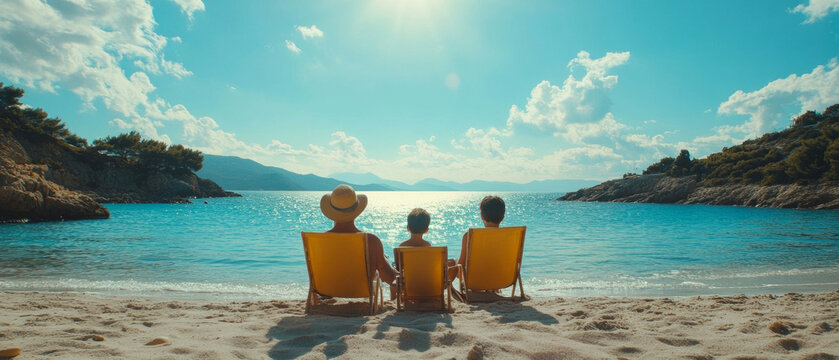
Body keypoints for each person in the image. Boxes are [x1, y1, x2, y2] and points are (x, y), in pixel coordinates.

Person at [320, 184, 398, 288]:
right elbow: (388, 276)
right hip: (360, 288)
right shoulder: (371, 240)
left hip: (329, 288)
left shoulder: (321, 240)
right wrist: (397, 273)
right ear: (356, 210)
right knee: (383, 259)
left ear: (332, 211)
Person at [448, 195, 506, 281]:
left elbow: (460, 269)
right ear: (502, 218)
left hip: (474, 281)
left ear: (482, 216)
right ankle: (493, 288)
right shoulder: (510, 236)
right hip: (500, 279)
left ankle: (451, 291)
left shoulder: (468, 236)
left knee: (451, 262)